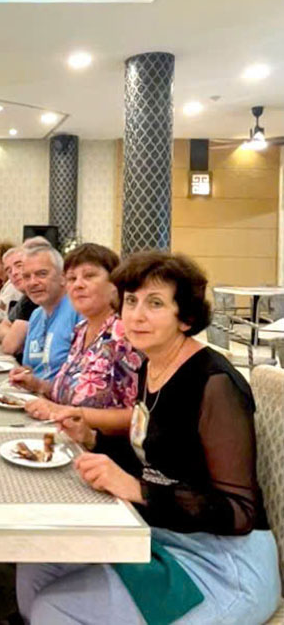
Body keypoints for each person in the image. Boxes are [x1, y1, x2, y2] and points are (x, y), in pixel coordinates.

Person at [17, 251, 280, 625]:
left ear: (185, 317)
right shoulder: (152, 365)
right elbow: (157, 451)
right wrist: (92, 440)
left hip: (221, 564)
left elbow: (238, 512)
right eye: (131, 301)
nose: (137, 315)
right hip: (163, 532)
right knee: (36, 566)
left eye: (155, 303)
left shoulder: (214, 383)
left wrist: (137, 489)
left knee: (53, 607)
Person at [14, 243, 142, 433]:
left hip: (101, 445)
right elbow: (72, 392)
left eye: (89, 276)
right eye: (72, 278)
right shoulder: (81, 330)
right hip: (65, 433)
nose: (78, 285)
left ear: (115, 284)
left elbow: (139, 417)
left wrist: (67, 412)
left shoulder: (125, 336)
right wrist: (38, 385)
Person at [13, 244, 81, 383]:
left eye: (42, 274)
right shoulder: (36, 315)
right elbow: (30, 368)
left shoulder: (79, 311)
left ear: (63, 277)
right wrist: (22, 375)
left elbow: (81, 381)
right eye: (26, 277)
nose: (32, 282)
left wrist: (39, 386)